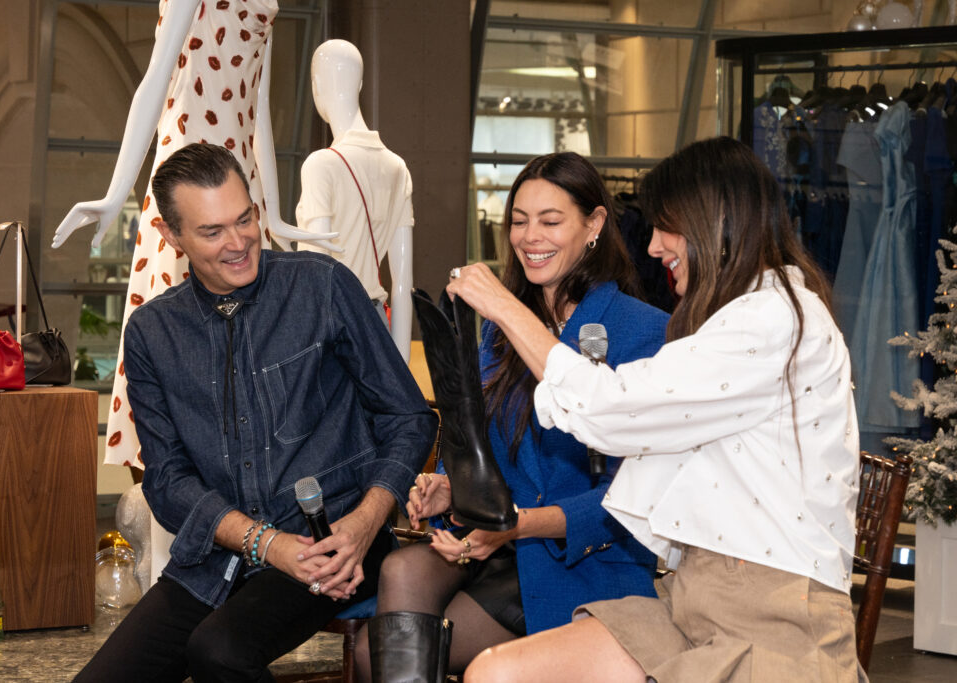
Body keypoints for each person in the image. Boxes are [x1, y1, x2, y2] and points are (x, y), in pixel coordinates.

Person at [449, 137, 867, 682]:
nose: (653, 246)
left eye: (667, 226)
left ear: (714, 223)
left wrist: (503, 307)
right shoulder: (734, 319)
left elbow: (608, 411)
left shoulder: (772, 320)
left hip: (774, 618)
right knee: (497, 673)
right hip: (688, 600)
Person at [75, 142, 437, 682]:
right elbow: (168, 480)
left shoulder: (322, 286)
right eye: (212, 231)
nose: (239, 242)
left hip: (334, 544)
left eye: (244, 219)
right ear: (173, 237)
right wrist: (266, 544)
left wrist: (365, 522)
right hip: (217, 558)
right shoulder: (153, 332)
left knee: (219, 650)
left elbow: (409, 418)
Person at [356, 152, 669, 680]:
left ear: (594, 225)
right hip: (502, 550)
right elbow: (493, 457)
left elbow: (632, 499)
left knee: (380, 648)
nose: (530, 237)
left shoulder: (645, 330)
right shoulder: (498, 334)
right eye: (519, 221)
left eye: (551, 221)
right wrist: (453, 489)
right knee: (396, 583)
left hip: (581, 559)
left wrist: (518, 527)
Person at [52, 0, 338, 477]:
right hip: (189, 164)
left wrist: (271, 211)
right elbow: (156, 78)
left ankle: (239, 468)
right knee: (174, 334)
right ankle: (174, 481)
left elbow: (256, 107)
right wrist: (115, 191)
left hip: (236, 176)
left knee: (246, 339)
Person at [296, 39, 415, 362]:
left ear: (316, 84)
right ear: (360, 84)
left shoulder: (321, 164)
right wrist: (400, 368)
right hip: (376, 327)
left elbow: (316, 274)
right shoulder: (397, 168)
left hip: (331, 332)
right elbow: (403, 284)